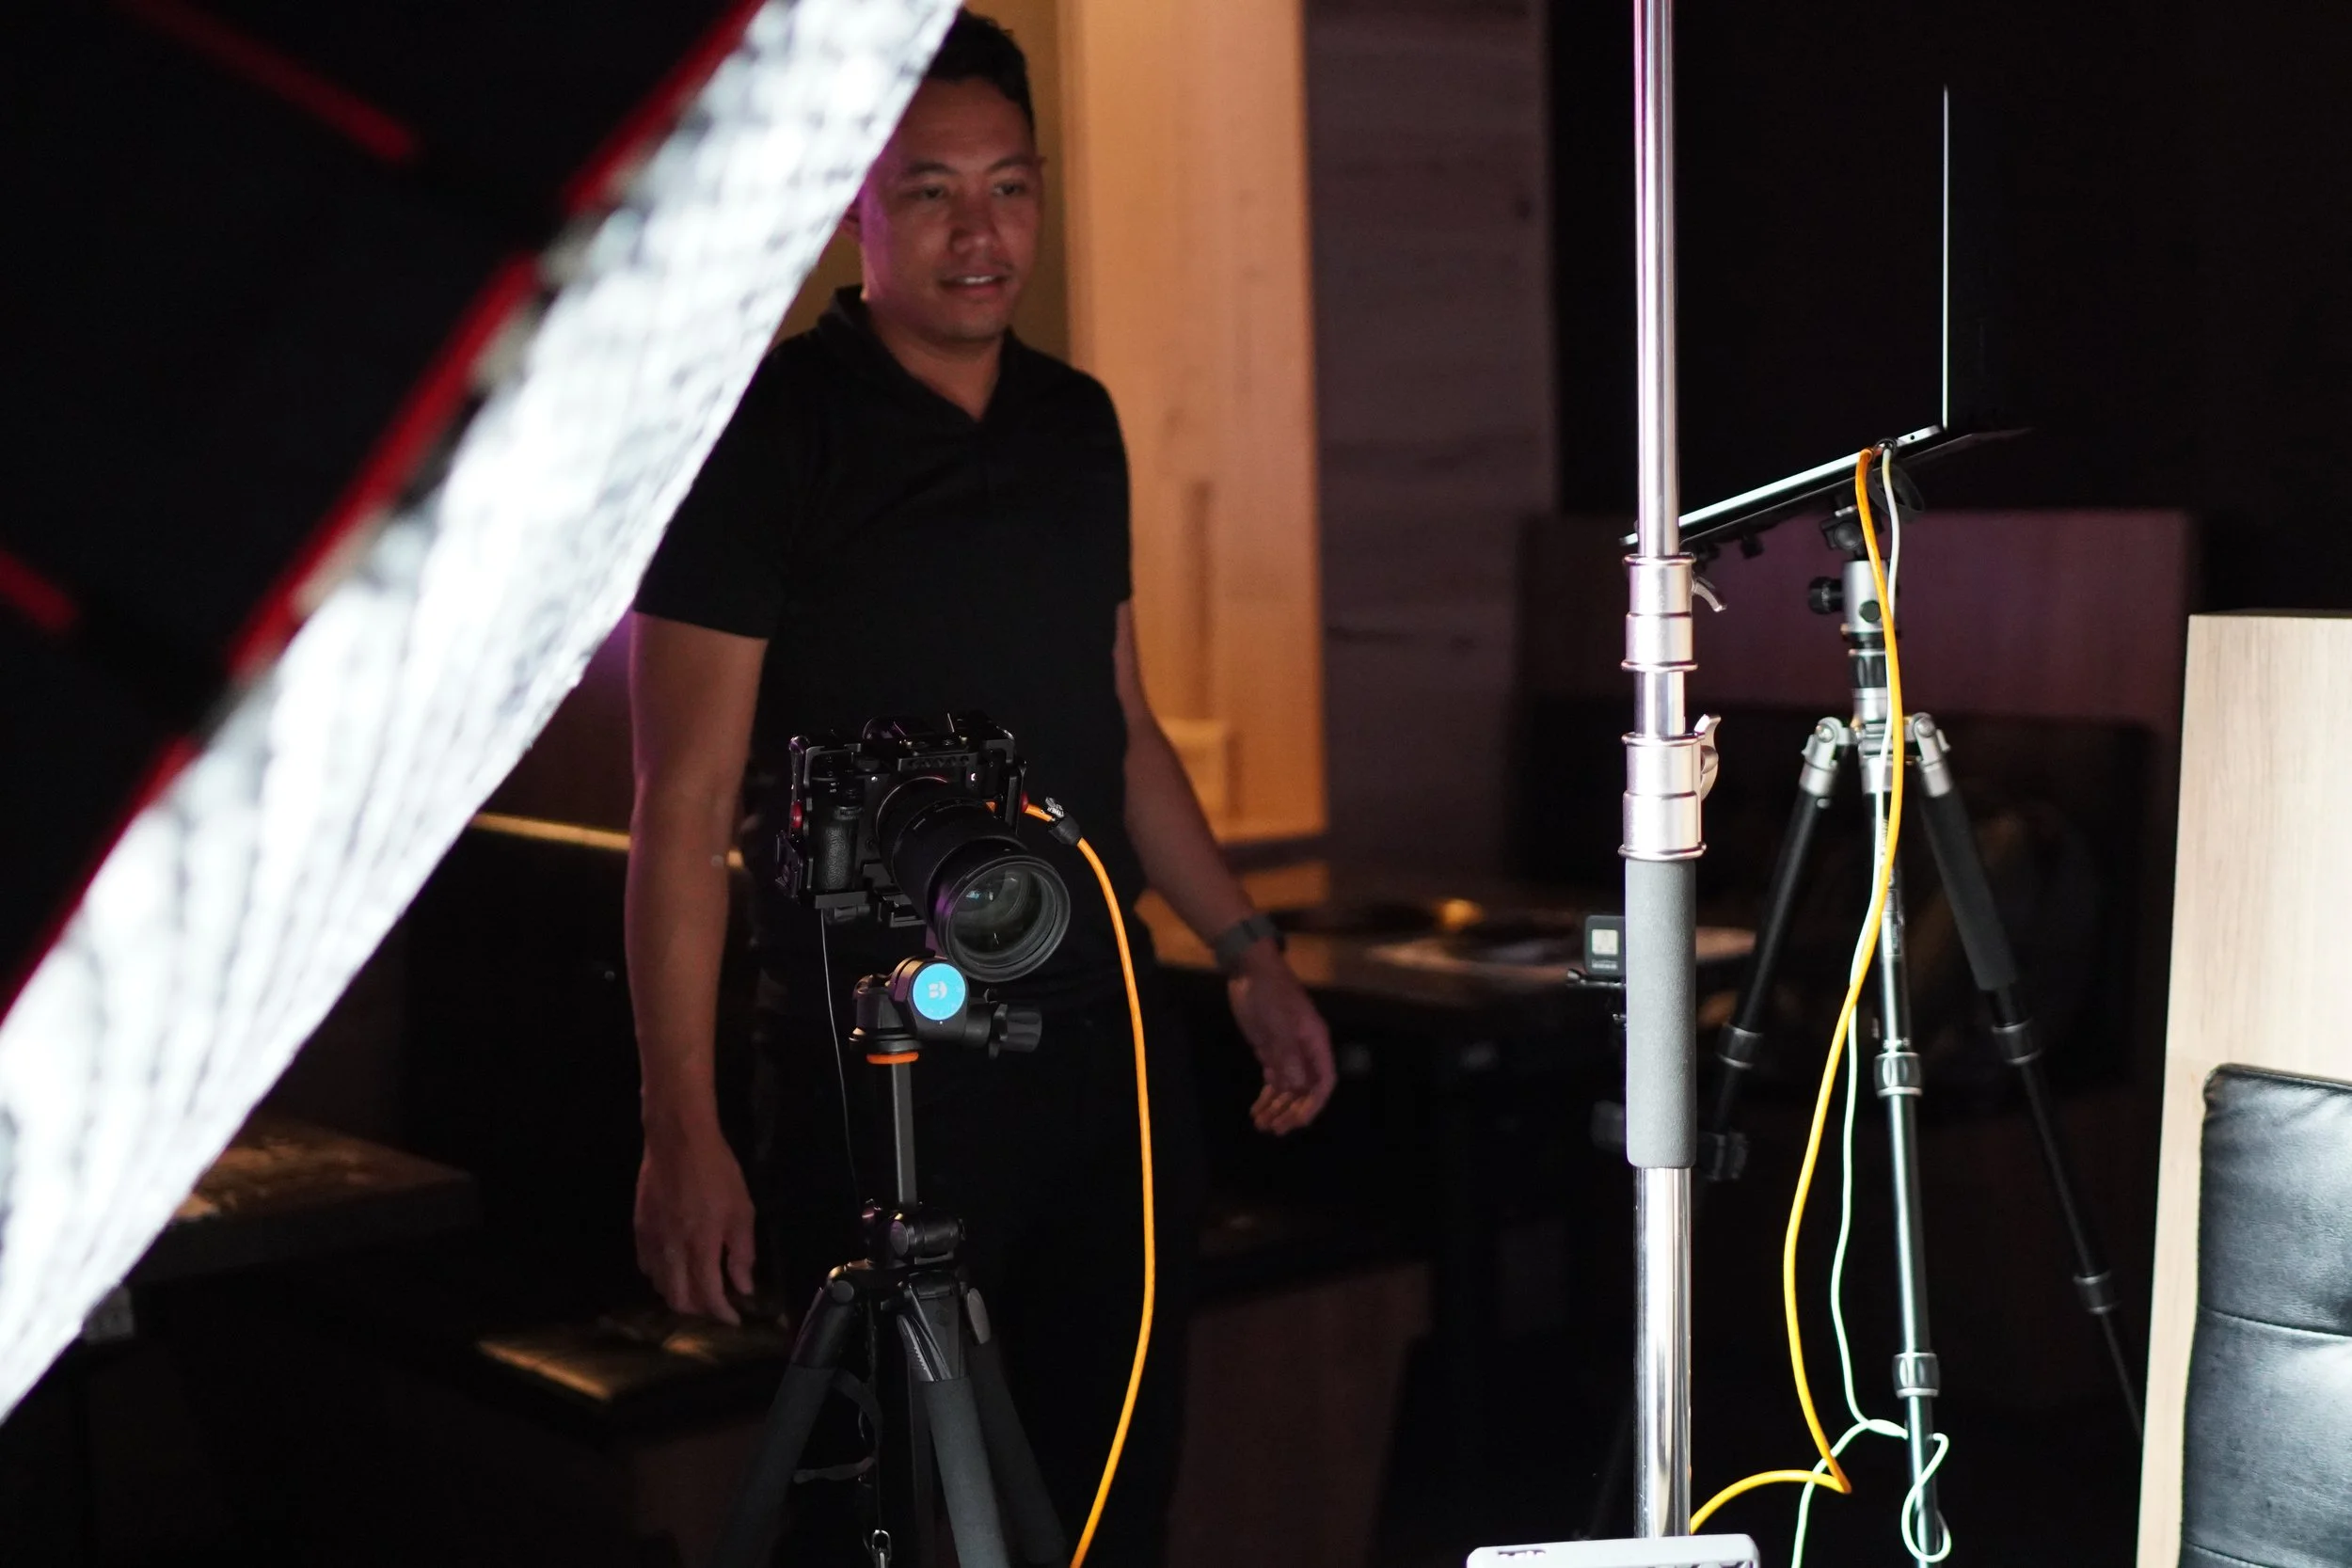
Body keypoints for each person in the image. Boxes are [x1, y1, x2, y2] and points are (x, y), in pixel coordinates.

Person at [622, 12, 1336, 1561]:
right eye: (932, 189)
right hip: (873, 1053)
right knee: (898, 1514)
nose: (979, 233)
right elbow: (679, 808)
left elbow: (1126, 728)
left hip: (1100, 1036)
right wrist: (680, 1122)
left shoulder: (1078, 426)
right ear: (855, 204)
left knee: (1113, 1487)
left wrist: (1252, 952)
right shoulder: (759, 434)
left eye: (1011, 189)